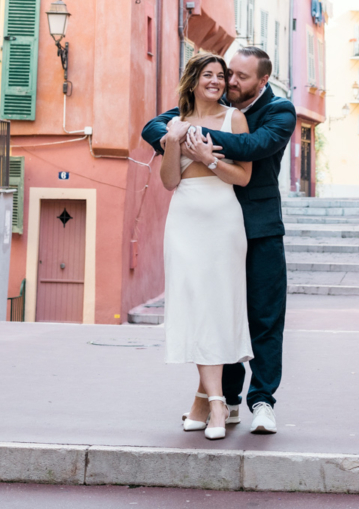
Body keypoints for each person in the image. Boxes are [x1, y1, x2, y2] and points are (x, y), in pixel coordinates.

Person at [143, 46, 296, 436]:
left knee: (263, 317)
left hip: (256, 228)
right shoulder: (216, 99)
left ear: (263, 80)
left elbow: (251, 148)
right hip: (202, 224)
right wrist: (177, 130)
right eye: (229, 74)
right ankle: (221, 401)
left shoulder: (280, 112)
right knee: (214, 309)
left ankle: (262, 401)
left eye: (240, 77)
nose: (229, 82)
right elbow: (152, 127)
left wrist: (189, 136)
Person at [158, 52, 254, 440]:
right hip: (183, 220)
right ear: (193, 80)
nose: (216, 81)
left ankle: (213, 404)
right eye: (208, 75)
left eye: (221, 76)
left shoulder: (236, 119)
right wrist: (171, 143)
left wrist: (206, 159)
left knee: (216, 306)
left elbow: (243, 178)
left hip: (222, 218)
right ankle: (210, 400)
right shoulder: (176, 123)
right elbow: (168, 182)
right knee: (193, 305)